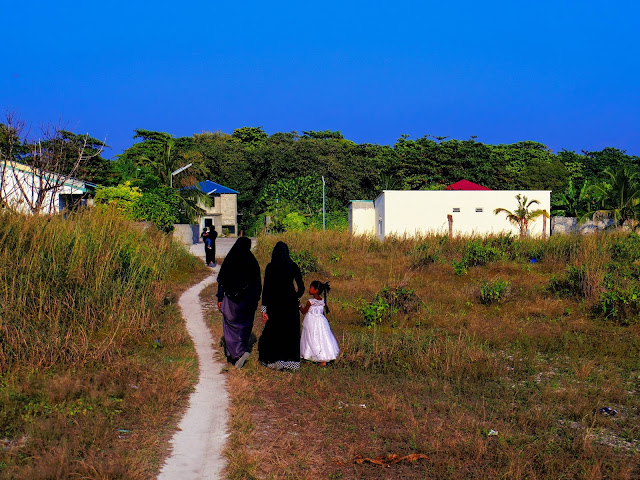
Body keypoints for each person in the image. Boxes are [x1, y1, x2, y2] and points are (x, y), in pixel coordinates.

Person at [258, 241, 304, 371]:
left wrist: (264, 309)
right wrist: (296, 298)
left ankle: (275, 361)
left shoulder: (270, 267)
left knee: (276, 332)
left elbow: (266, 289)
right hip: (290, 304)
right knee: (290, 333)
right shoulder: (293, 266)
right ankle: (291, 363)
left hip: (275, 304)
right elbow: (301, 286)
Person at [216, 236, 261, 368]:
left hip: (231, 300)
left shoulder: (231, 259)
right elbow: (257, 284)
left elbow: (222, 281)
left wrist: (220, 298)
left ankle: (233, 354)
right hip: (248, 301)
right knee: (245, 326)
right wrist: (257, 299)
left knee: (230, 325)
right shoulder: (252, 262)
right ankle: (240, 352)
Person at [299, 281, 339, 366]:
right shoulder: (322, 301)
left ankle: (308, 357)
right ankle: (322, 359)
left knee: (310, 338)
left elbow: (303, 311)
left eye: (311, 288)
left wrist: (299, 305)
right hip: (321, 322)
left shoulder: (311, 301)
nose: (309, 289)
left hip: (311, 322)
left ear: (316, 290)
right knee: (321, 338)